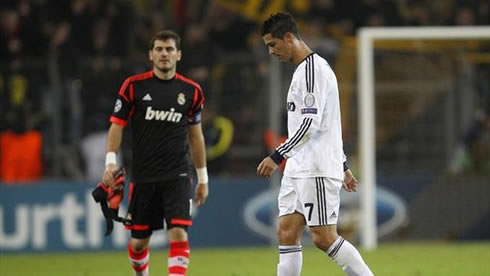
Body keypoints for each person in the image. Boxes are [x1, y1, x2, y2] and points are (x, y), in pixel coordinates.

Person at [257, 13, 373, 276]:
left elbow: (310, 126)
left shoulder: (312, 70)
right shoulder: (303, 72)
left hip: (316, 167)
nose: (271, 52)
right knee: (286, 232)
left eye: (273, 45)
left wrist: (277, 155)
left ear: (288, 37)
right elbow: (330, 122)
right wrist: (343, 164)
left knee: (323, 237)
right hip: (299, 167)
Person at [102, 30, 209, 276]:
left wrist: (203, 178)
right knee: (139, 242)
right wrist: (110, 162)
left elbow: (196, 136)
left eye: (169, 49)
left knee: (179, 233)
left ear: (178, 55)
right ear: (151, 55)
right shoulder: (133, 87)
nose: (164, 54)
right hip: (143, 176)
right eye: (159, 49)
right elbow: (117, 125)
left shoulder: (192, 91)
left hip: (178, 174)